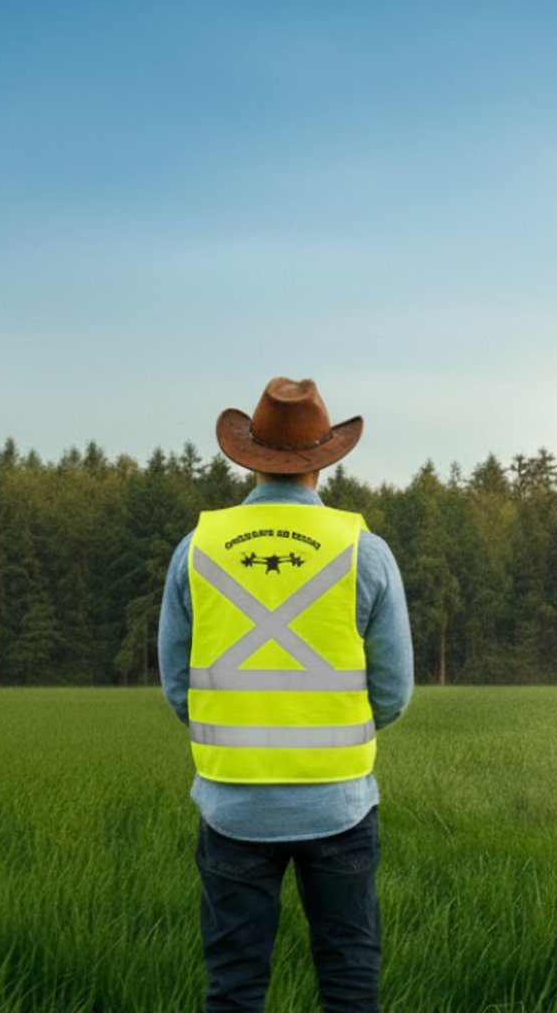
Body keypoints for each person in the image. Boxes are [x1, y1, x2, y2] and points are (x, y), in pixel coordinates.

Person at [158, 377, 413, 1013]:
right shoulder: (365, 552)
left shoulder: (196, 549)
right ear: (324, 460)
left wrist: (233, 729)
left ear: (250, 458)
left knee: (234, 987)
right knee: (349, 981)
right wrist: (335, 732)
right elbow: (394, 691)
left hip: (232, 807)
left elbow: (177, 685)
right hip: (340, 803)